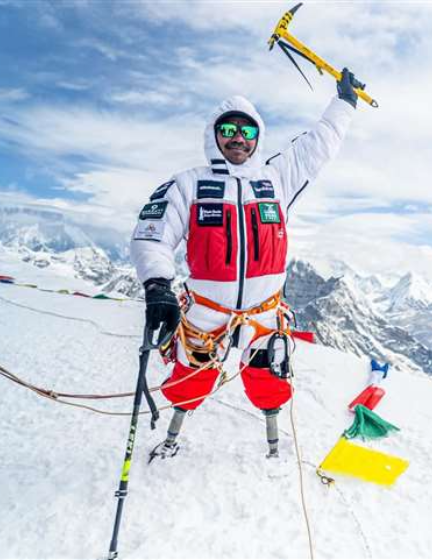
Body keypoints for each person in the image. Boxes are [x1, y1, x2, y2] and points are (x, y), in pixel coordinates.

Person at [130, 69, 361, 460]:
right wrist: (157, 284)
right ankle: (171, 439)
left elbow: (317, 146)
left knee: (269, 379)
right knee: (189, 380)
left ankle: (274, 449)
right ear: (214, 136)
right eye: (229, 130)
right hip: (205, 313)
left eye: (247, 131)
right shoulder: (187, 184)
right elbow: (151, 236)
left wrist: (345, 103)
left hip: (265, 314)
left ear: (258, 136)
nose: (238, 138)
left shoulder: (276, 179)